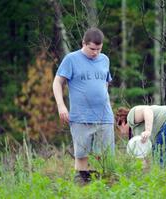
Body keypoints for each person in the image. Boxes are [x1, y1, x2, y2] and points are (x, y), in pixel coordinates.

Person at [53, 27, 115, 185]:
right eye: (92, 49)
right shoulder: (71, 59)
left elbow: (105, 84)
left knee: (105, 155)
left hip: (104, 116)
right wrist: (61, 106)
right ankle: (82, 187)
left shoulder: (105, 59)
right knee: (82, 154)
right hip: (81, 116)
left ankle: (104, 186)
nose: (95, 53)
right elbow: (57, 82)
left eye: (99, 49)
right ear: (84, 43)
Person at [116, 104, 166, 169]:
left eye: (118, 129)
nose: (121, 133)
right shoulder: (138, 133)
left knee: (160, 154)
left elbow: (147, 110)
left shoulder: (131, 116)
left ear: (122, 122)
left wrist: (148, 130)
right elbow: (143, 158)